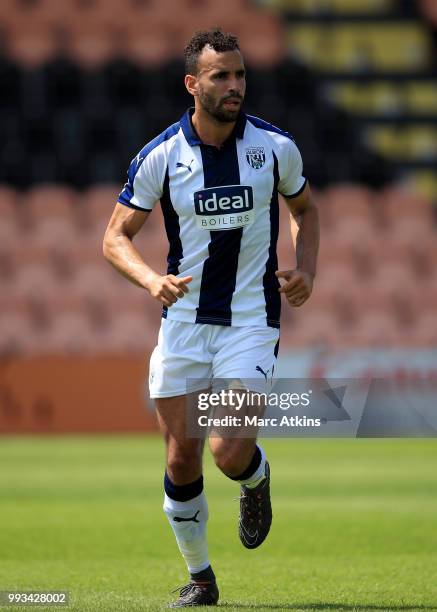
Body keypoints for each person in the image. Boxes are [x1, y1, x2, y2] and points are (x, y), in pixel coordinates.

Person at [103, 28, 319, 608]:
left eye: (240, 75)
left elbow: (304, 209)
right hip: (184, 323)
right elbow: (115, 237)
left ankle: (254, 476)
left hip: (251, 320)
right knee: (180, 455)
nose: (234, 86)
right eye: (221, 76)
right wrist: (152, 280)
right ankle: (201, 579)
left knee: (227, 450)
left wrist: (307, 268)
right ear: (192, 84)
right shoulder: (161, 156)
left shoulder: (274, 148)